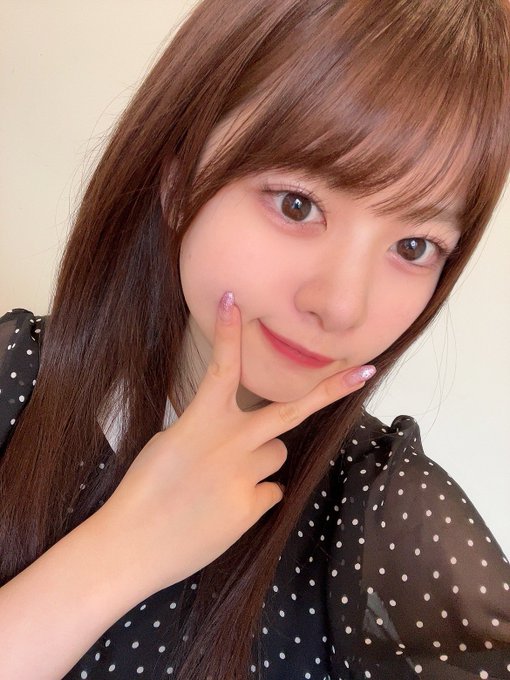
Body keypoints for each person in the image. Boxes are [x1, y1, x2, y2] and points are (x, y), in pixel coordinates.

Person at [1, 0, 509, 678]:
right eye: (298, 204)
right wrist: (117, 554)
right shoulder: (14, 378)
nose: (341, 305)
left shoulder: (382, 516)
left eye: (414, 246)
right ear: (177, 181)